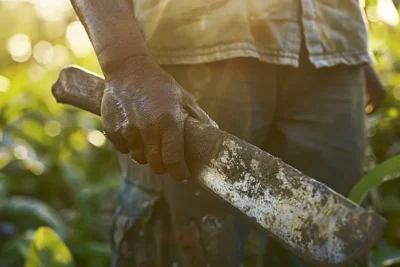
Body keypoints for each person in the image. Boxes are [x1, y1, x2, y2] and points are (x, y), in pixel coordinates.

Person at [69, 0, 386, 266]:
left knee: (334, 241)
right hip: (190, 52)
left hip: (334, 54)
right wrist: (126, 63)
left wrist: (345, 41)